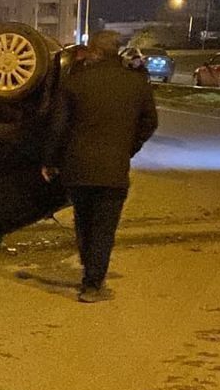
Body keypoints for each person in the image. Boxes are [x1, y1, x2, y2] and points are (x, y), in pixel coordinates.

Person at [43, 31, 158, 304]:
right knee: (104, 227)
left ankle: (90, 269)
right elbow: (150, 122)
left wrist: (50, 160)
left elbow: (58, 126)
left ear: (94, 51)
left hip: (78, 168)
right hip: (114, 169)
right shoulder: (136, 83)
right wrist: (129, 147)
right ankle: (93, 283)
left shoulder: (75, 82)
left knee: (84, 221)